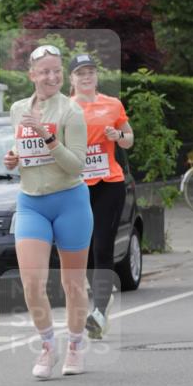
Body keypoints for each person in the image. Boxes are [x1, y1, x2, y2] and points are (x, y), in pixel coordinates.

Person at [3, 44, 93, 379]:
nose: (52, 77)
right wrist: (12, 158)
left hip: (69, 201)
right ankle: (48, 345)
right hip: (31, 203)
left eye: (57, 71)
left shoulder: (71, 112)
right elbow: (20, 150)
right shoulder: (17, 109)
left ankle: (75, 345)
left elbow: (76, 165)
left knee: (72, 283)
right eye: (45, 71)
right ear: (32, 75)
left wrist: (47, 137)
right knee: (30, 282)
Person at [69, 53, 134, 339]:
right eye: (80, 73)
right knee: (83, 247)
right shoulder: (64, 109)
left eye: (91, 72)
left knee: (102, 245)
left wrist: (117, 136)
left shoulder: (112, 104)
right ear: (71, 79)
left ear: (97, 76)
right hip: (77, 186)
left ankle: (99, 313)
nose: (86, 77)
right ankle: (98, 301)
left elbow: (129, 139)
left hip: (109, 182)